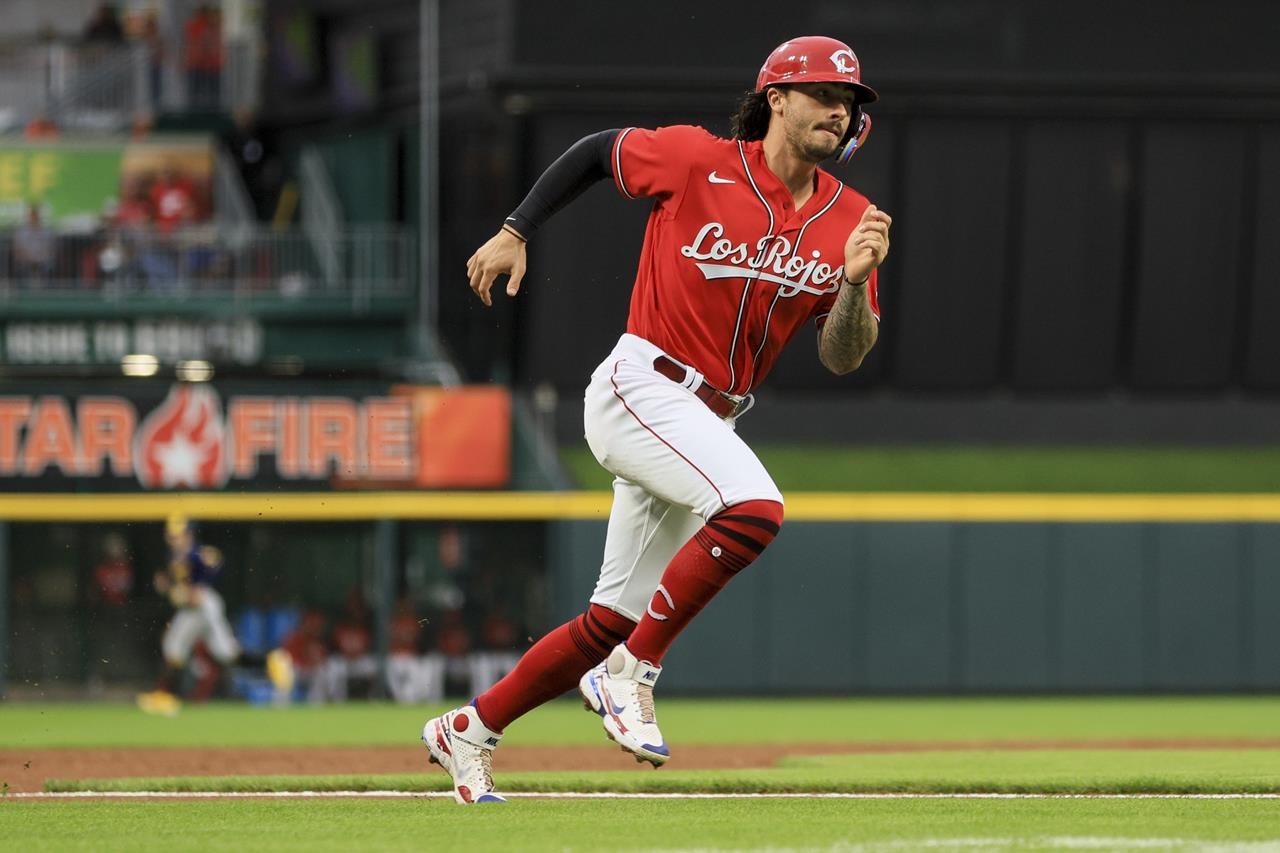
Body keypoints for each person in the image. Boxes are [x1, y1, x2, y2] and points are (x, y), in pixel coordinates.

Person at [422, 36, 892, 804]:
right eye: (820, 94)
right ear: (775, 98)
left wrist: (852, 285)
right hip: (644, 385)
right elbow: (594, 153)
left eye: (849, 102)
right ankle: (634, 673)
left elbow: (845, 355)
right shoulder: (696, 158)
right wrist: (515, 229)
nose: (838, 111)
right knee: (755, 510)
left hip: (713, 421)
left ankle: (469, 729)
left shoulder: (853, 219)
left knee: (610, 614)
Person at [137, 514, 293, 714]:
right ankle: (271, 661)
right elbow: (177, 586)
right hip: (194, 608)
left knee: (176, 648)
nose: (173, 539)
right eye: (171, 535)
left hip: (204, 606)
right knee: (225, 654)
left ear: (189, 534)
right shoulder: (175, 557)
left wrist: (179, 591)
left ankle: (165, 697)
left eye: (178, 535)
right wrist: (169, 587)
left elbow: (204, 581)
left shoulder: (196, 555)